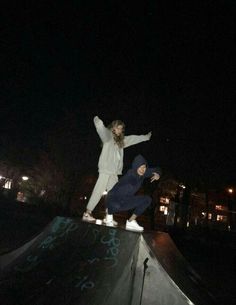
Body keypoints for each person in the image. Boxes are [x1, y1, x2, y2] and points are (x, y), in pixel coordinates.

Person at [82, 116, 152, 224]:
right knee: (99, 190)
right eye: (117, 128)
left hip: (114, 173)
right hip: (105, 170)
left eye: (121, 129)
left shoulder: (121, 142)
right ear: (113, 128)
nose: (119, 130)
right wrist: (98, 121)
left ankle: (108, 217)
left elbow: (133, 139)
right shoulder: (108, 137)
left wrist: (145, 137)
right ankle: (88, 212)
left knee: (114, 195)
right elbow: (102, 130)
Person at [105, 154, 161, 232]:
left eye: (144, 167)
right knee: (127, 189)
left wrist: (158, 174)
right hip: (112, 199)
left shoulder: (143, 173)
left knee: (147, 199)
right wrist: (110, 212)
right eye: (140, 167)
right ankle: (109, 215)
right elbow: (116, 192)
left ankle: (131, 221)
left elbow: (157, 169)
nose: (142, 170)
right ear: (135, 167)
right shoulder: (130, 175)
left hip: (126, 201)